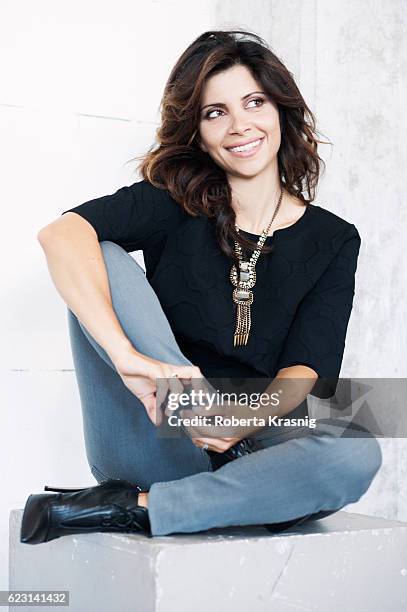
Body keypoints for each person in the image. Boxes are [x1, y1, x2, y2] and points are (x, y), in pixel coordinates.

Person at [20, 30, 382, 544]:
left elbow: (307, 371)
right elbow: (60, 233)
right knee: (101, 254)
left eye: (254, 102)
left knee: (357, 448)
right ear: (198, 131)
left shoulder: (334, 238)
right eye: (216, 113)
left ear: (280, 109)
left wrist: (240, 418)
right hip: (155, 430)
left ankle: (138, 509)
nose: (240, 126)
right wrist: (126, 356)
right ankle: (231, 498)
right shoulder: (172, 201)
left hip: (254, 443)